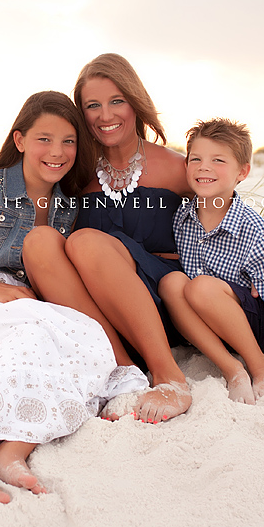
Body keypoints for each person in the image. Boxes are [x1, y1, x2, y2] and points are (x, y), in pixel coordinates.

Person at [0, 91, 148, 504]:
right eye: (44, 139)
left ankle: (11, 452)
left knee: (66, 338)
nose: (57, 152)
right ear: (21, 140)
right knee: (33, 335)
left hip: (23, 304)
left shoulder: (67, 205)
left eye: (68, 141)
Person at [22, 54, 194, 424]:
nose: (105, 115)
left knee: (85, 241)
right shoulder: (73, 171)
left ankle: (169, 376)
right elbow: (17, 206)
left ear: (135, 103)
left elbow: (228, 217)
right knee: (39, 241)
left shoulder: (176, 168)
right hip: (100, 316)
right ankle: (124, 374)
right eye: (92, 106)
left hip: (162, 307)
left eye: (116, 101)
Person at [158, 118, 264, 405]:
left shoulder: (256, 231)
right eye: (195, 159)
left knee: (201, 287)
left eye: (218, 160)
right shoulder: (181, 219)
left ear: (242, 172)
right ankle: (233, 369)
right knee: (172, 282)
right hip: (202, 326)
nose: (204, 167)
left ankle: (259, 366)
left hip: (247, 324)